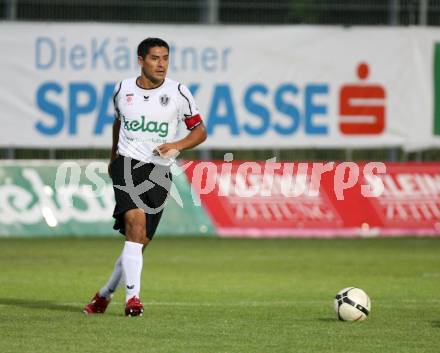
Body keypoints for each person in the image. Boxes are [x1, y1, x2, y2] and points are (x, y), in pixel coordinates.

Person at [83, 37, 207, 317]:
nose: (161, 64)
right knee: (135, 223)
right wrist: (114, 156)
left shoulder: (179, 92)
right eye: (154, 58)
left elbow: (200, 132)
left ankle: (104, 294)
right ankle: (133, 300)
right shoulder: (122, 89)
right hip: (127, 165)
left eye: (165, 58)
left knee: (138, 242)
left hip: (159, 171)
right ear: (141, 60)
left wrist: (177, 145)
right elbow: (119, 121)